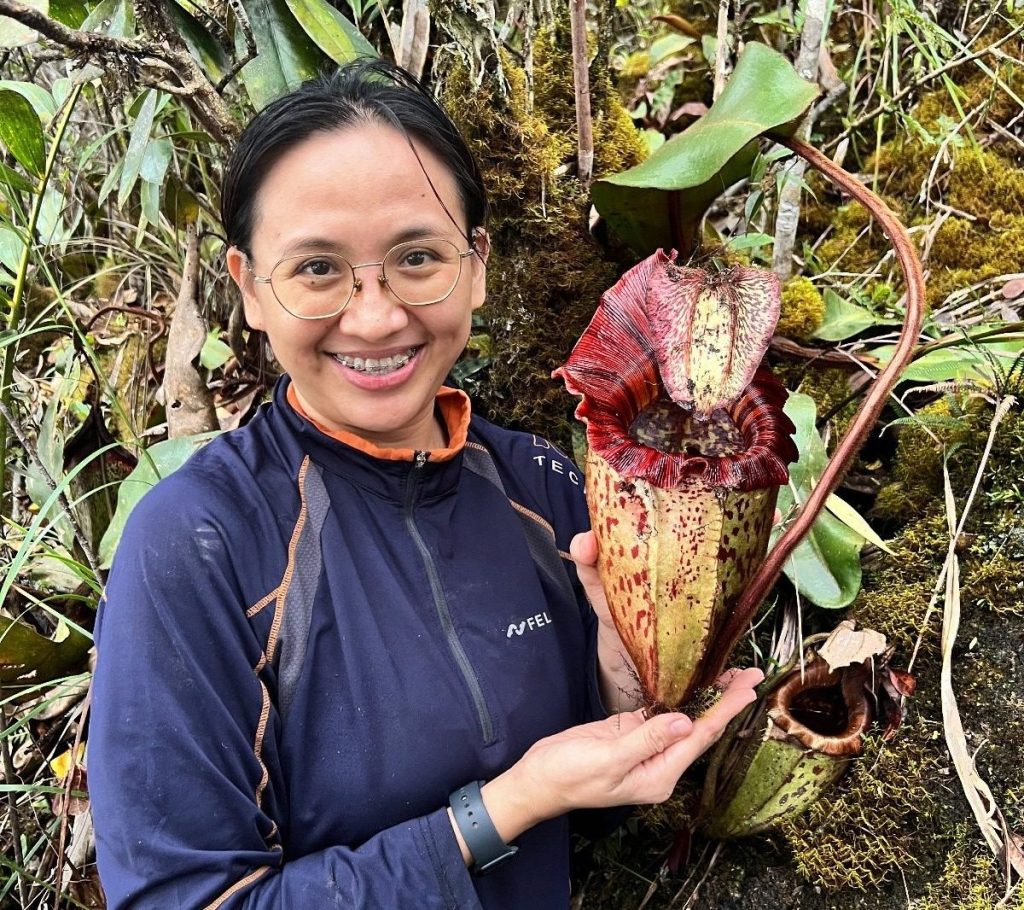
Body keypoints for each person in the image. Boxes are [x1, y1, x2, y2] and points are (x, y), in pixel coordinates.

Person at [88, 59, 763, 909]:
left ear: (476, 265)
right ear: (250, 289)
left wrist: (631, 691)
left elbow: (589, 806)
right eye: (317, 270)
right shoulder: (200, 544)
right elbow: (178, 899)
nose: (374, 317)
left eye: (417, 257)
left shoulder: (545, 483)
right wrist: (504, 810)